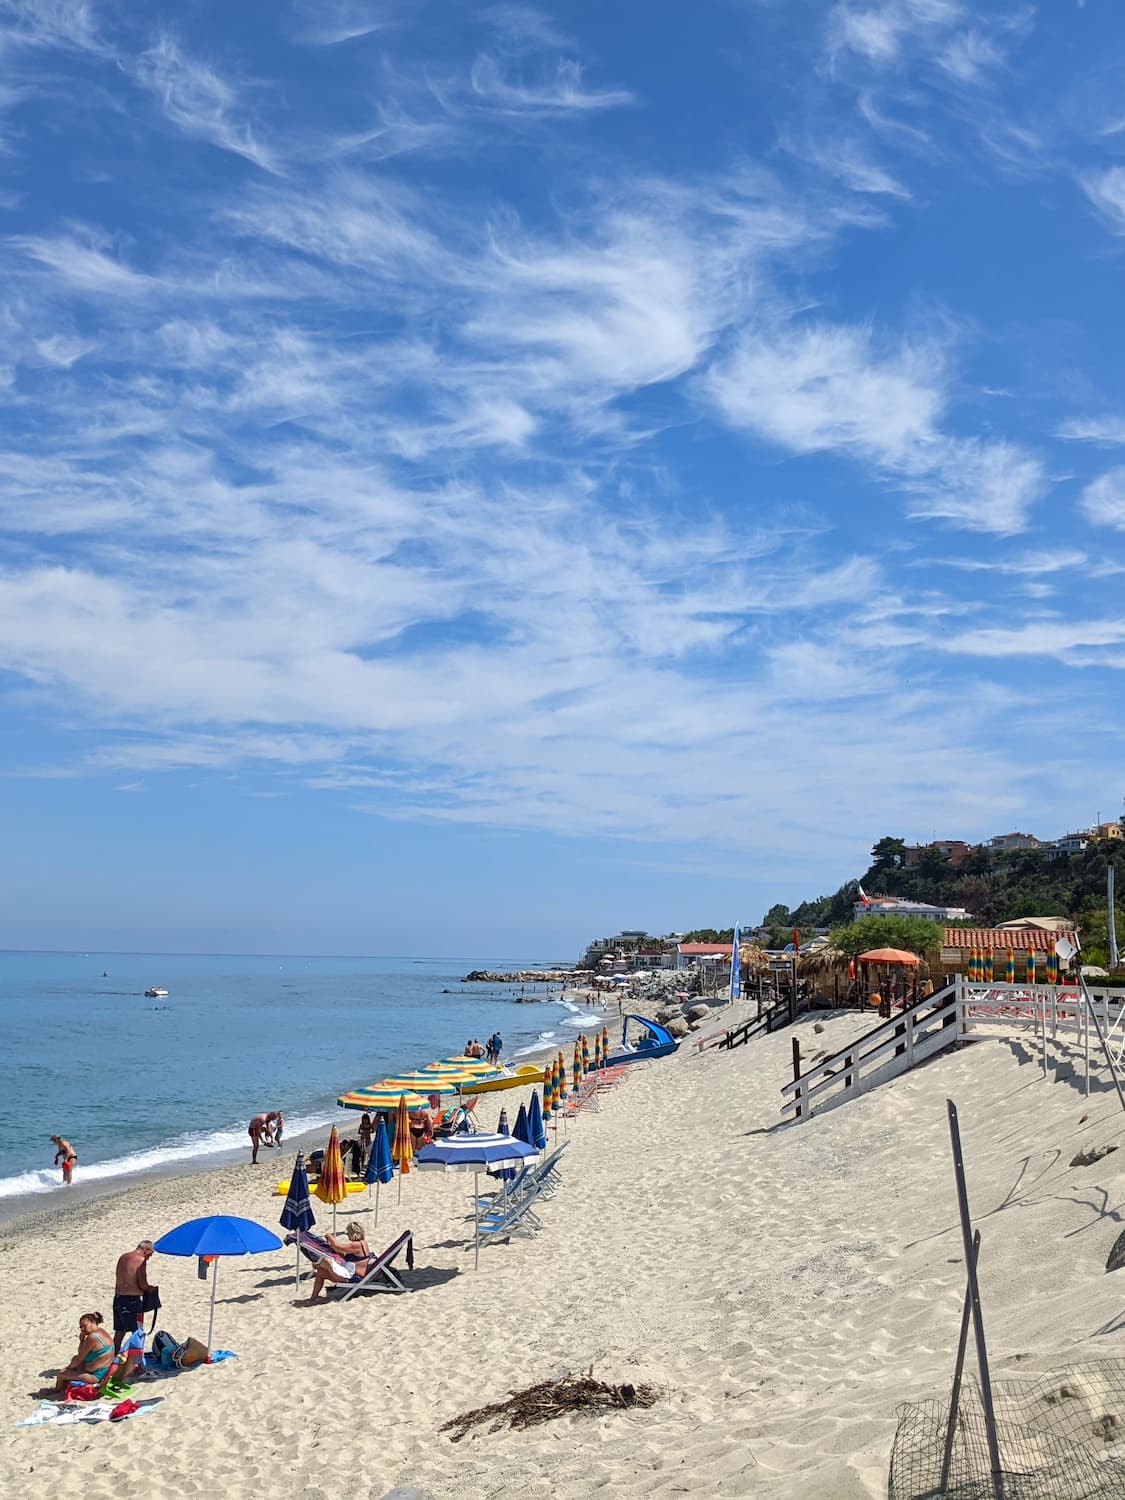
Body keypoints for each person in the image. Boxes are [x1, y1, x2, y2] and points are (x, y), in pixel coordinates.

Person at [43, 1312, 115, 1395]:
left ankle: (57, 1390)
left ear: (93, 1322)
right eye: (81, 1327)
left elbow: (79, 1357)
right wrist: (81, 1341)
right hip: (104, 1372)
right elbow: (82, 1354)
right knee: (75, 1362)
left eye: (85, 1325)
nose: (83, 1329)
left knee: (61, 1375)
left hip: (95, 1376)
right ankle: (64, 1385)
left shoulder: (92, 1337)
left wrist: (67, 1368)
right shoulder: (101, 1332)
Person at [307, 1223, 373, 1302]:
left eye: (348, 1233)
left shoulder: (357, 1245)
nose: (347, 1235)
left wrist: (329, 1236)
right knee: (320, 1272)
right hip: (351, 1273)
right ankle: (313, 1298)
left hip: (353, 1277)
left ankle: (317, 1265)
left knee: (326, 1261)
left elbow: (337, 1246)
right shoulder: (363, 1243)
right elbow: (342, 1252)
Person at [113, 1240, 156, 1354]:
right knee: (137, 1333)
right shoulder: (141, 1260)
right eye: (150, 1255)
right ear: (146, 1251)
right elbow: (142, 1284)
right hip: (132, 1300)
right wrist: (150, 1289)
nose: (149, 1258)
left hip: (118, 1298)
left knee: (119, 1332)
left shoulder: (124, 1257)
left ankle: (113, 1357)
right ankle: (137, 1364)